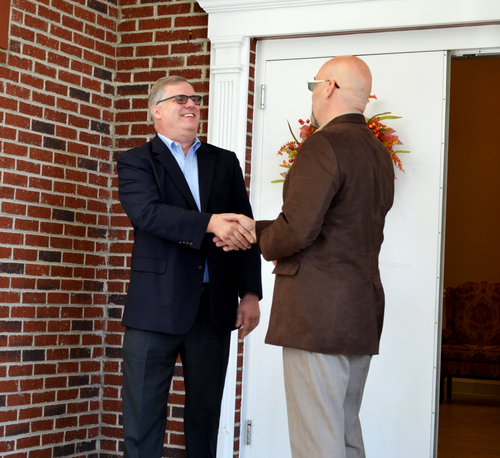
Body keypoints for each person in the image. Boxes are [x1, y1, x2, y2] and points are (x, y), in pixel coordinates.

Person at [217, 56, 395, 457]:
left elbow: (297, 230)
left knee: (318, 442)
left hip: (318, 314)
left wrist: (258, 238)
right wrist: (260, 229)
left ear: (328, 87)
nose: (313, 94)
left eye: (314, 85)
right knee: (345, 433)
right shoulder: (377, 152)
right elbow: (339, 226)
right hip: (361, 311)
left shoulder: (324, 144)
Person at [117, 75, 262, 458]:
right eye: (180, 98)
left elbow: (245, 228)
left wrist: (250, 293)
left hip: (213, 309)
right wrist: (210, 223)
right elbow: (148, 214)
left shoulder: (224, 161)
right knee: (142, 422)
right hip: (154, 308)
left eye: (195, 99)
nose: (192, 104)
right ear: (156, 110)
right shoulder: (136, 161)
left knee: (205, 420)